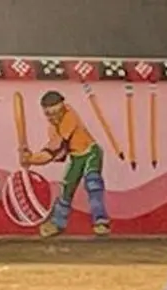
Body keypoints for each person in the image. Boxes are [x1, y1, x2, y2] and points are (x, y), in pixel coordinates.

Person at [19, 90, 111, 238]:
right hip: (76, 158)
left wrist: (31, 159)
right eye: (49, 114)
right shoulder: (53, 128)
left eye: (57, 112)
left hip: (91, 152)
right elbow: (52, 154)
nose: (54, 117)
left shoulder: (70, 116)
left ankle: (100, 220)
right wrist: (31, 158)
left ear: (63, 107)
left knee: (93, 183)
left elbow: (55, 146)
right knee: (66, 189)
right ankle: (57, 223)